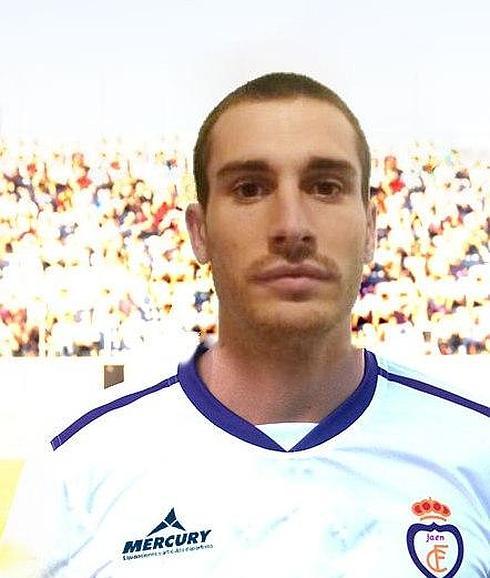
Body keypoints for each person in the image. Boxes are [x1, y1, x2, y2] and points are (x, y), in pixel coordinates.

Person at [2, 73, 489, 578]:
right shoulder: (79, 465)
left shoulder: (476, 450)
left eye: (326, 187)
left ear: (370, 228)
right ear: (200, 232)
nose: (292, 227)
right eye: (250, 189)